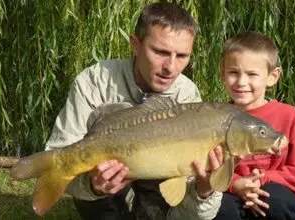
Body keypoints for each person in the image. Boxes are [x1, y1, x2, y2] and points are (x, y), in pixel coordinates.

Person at [45, 2, 223, 220]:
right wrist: (92, 185)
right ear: (135, 44)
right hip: (106, 181)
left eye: (182, 56)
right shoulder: (94, 81)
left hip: (156, 179)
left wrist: (204, 189)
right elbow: (61, 150)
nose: (171, 67)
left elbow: (188, 204)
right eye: (160, 52)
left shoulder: (186, 94)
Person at [215, 31, 295, 220]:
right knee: (219, 207)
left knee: (274, 200)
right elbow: (213, 167)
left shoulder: (289, 116)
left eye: (252, 74)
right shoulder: (218, 118)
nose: (241, 82)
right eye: (233, 72)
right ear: (222, 71)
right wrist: (237, 184)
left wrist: (262, 179)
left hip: (276, 193)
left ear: (273, 76)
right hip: (233, 192)